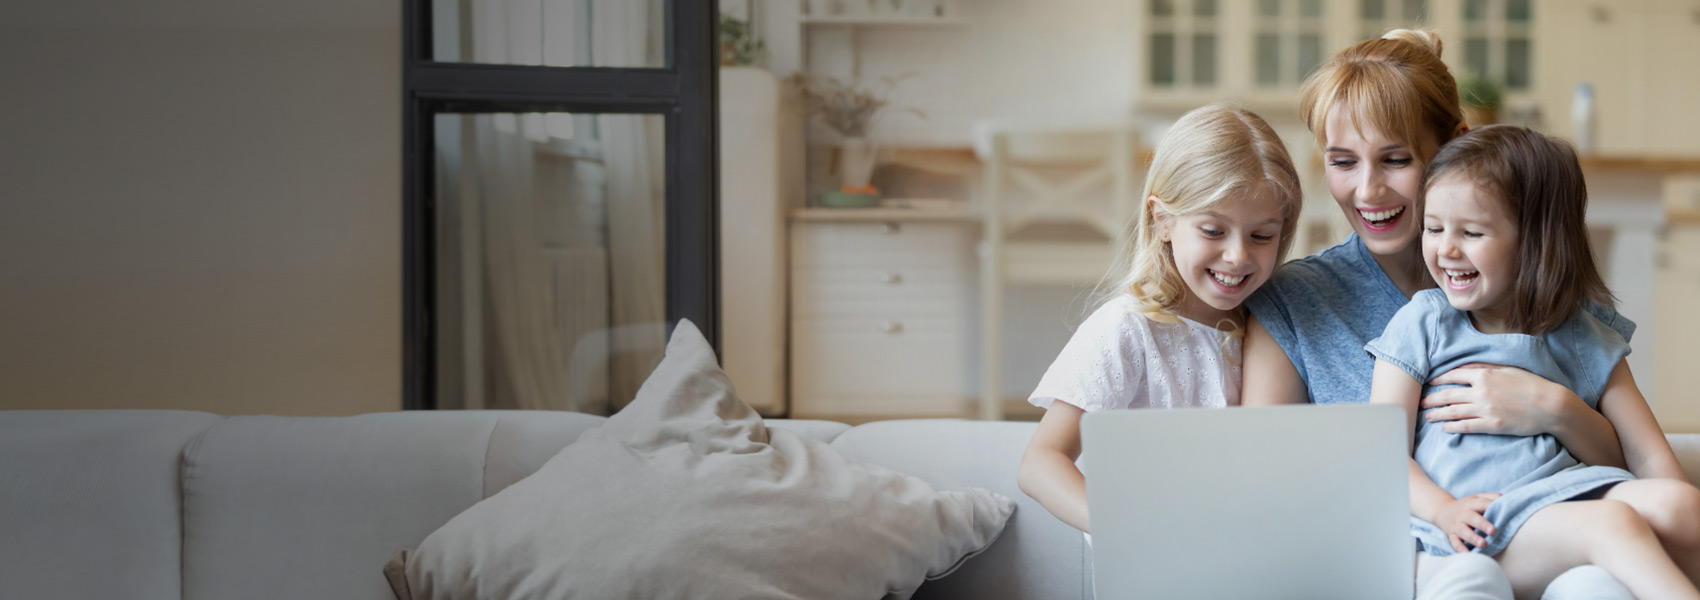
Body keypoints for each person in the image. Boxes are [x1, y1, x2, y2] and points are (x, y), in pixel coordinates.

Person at [1239, 29, 1650, 599]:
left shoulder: (1537, 287)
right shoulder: (1293, 301)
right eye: (1342, 162)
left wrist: (1554, 409)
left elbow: (1637, 473)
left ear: (1455, 144)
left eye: (1396, 159)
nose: (1368, 190)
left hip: (1564, 554)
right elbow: (1262, 486)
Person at [1367, 125, 1700, 599]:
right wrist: (1443, 511)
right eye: (1435, 228)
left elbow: (1649, 459)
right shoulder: (1424, 322)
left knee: (1683, 505)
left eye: (1472, 232)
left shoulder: (1583, 333)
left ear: (1537, 241)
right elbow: (1381, 453)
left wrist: (1674, 514)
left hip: (1574, 500)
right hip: (1478, 526)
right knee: (1611, 524)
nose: (1446, 249)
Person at [1017, 103, 1302, 533]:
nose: (1239, 255)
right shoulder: (1127, 329)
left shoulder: (1271, 328)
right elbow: (1040, 463)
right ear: (1163, 220)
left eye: (1261, 235)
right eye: (1212, 230)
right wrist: (1129, 529)